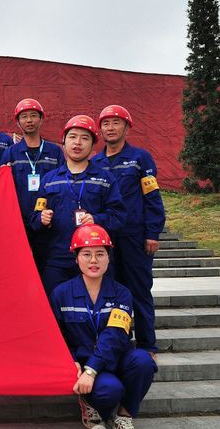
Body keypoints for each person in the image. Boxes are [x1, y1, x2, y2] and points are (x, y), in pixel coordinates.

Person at [51, 224, 156, 429]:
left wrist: (92, 370)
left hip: (115, 357)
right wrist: (71, 361)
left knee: (143, 361)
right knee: (110, 390)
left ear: (109, 258)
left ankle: (124, 414)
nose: (93, 260)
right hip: (85, 361)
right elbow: (57, 335)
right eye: (86, 254)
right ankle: (91, 407)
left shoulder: (122, 293)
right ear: (76, 258)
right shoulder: (61, 294)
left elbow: (115, 335)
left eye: (100, 254)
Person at [91, 105, 166, 356]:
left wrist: (152, 233)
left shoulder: (140, 158)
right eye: (105, 123)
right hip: (106, 238)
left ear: (127, 128)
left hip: (134, 236)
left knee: (139, 290)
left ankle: (147, 345)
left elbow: (152, 198)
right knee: (111, 292)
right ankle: (120, 342)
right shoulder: (95, 162)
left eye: (116, 123)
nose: (110, 128)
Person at [30, 115, 126, 296]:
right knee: (54, 306)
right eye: (72, 137)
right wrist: (41, 219)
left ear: (93, 144)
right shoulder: (49, 180)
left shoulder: (105, 179)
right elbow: (34, 217)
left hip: (94, 260)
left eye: (85, 138)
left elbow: (119, 216)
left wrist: (97, 219)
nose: (78, 143)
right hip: (58, 259)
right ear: (63, 141)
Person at [1, 98, 65, 273]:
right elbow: (3, 189)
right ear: (18, 122)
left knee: (48, 267)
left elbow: (62, 183)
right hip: (19, 221)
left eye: (33, 116)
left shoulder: (55, 152)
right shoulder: (10, 153)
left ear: (41, 119)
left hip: (48, 220)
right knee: (19, 267)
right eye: (24, 117)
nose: (29, 120)